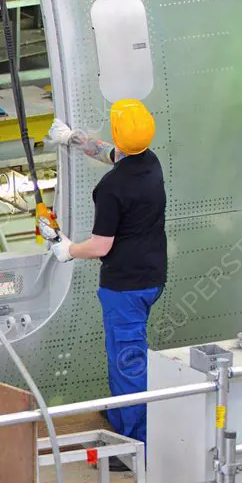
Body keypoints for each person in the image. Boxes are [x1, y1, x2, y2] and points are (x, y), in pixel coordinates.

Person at [41, 99, 167, 455]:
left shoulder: (111, 189)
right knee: (129, 352)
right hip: (151, 275)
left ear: (117, 132)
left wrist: (66, 249)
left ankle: (135, 444)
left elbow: (100, 246)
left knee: (126, 359)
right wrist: (74, 140)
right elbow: (113, 154)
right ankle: (128, 415)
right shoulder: (149, 162)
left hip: (125, 285)